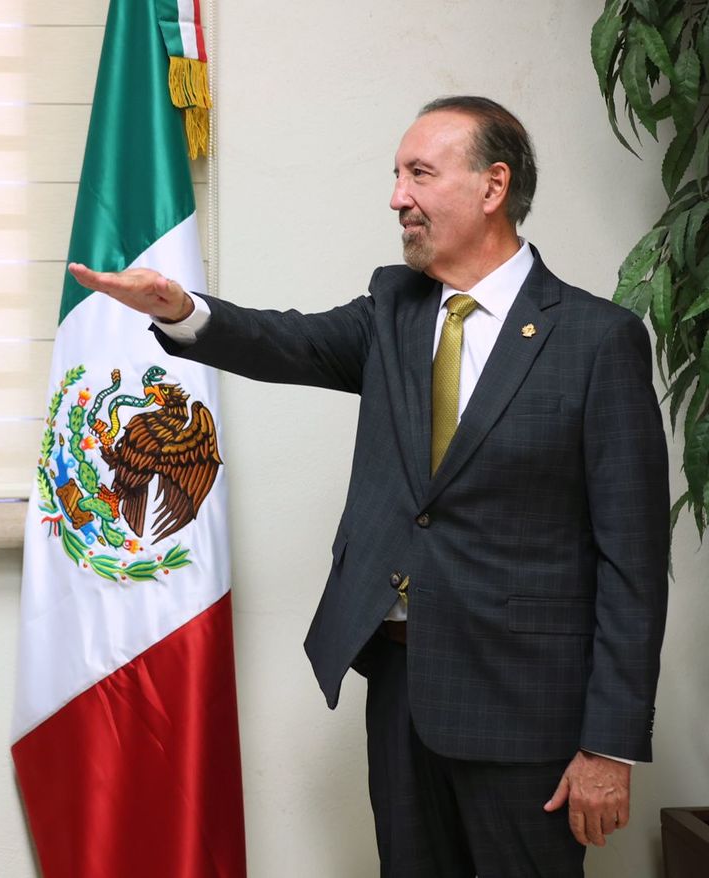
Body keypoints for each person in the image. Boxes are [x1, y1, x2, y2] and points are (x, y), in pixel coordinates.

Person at [68, 96, 669, 877]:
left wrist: (609, 744)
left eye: (419, 174)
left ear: (493, 187)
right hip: (402, 685)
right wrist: (182, 313)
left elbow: (633, 562)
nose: (397, 197)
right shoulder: (394, 308)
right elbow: (288, 341)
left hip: (529, 712)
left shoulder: (596, 340)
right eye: (396, 175)